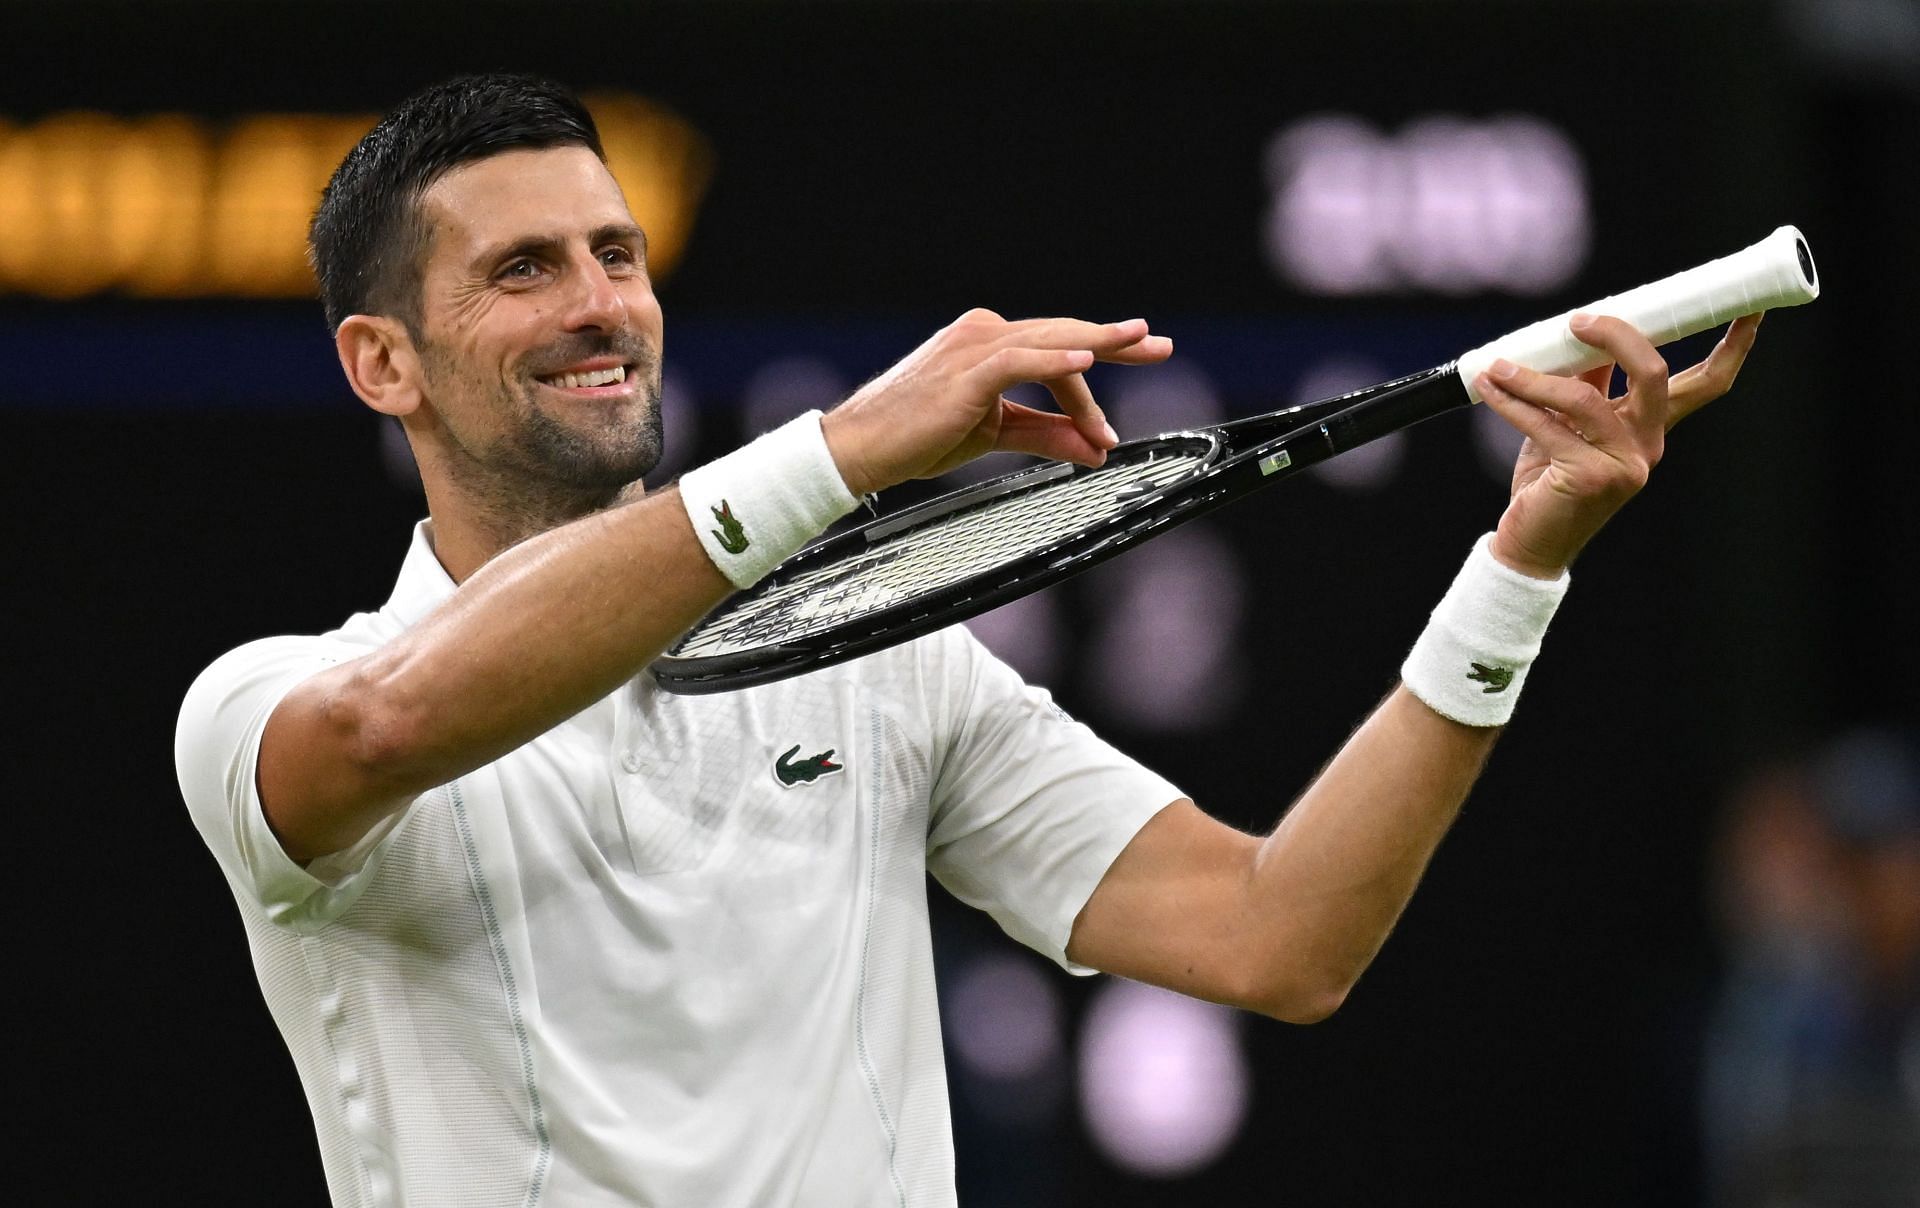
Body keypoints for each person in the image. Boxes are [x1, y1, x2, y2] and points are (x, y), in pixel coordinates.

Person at [175, 74, 1763, 1207]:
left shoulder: (882, 663)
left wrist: (1523, 563)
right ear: (382, 361)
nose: (600, 303)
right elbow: (391, 728)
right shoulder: (269, 707)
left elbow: (1278, 937)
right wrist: (844, 450)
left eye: (617, 253)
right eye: (523, 269)